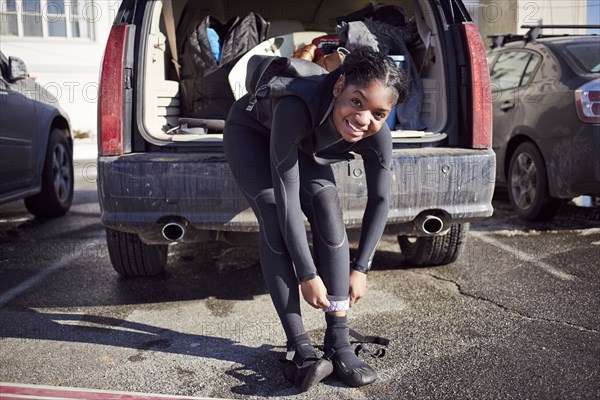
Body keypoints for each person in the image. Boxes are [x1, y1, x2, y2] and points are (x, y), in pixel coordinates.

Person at [224, 47, 408, 391]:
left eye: (379, 113)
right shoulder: (295, 105)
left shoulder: (376, 132)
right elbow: (287, 196)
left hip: (306, 142)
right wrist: (308, 274)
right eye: (357, 102)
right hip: (252, 132)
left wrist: (362, 268)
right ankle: (299, 348)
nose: (364, 119)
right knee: (272, 208)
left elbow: (381, 198)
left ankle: (338, 341)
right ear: (339, 87)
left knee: (326, 204)